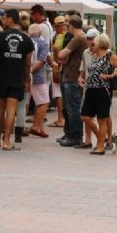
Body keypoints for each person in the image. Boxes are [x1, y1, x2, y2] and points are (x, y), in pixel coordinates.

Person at [0, 9, 34, 151]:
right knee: (12, 110)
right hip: (17, 78)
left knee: (0, 109)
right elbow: (28, 63)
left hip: (1, 77)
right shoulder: (27, 39)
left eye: (5, 18)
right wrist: (27, 80)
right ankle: (7, 141)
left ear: (10, 20)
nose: (4, 21)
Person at [81, 34, 117, 155]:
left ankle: (100, 146)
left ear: (100, 45)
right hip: (91, 89)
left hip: (103, 90)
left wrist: (110, 76)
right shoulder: (95, 56)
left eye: (94, 43)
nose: (92, 45)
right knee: (85, 116)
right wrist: (83, 80)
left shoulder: (110, 56)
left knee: (102, 119)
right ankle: (101, 138)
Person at [57, 15, 87, 147]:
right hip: (71, 76)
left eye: (68, 24)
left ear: (72, 26)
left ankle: (75, 136)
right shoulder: (82, 37)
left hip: (73, 77)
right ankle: (69, 133)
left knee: (72, 108)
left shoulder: (78, 38)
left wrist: (62, 53)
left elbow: (61, 54)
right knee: (69, 107)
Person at [76, 28, 100, 149]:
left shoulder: (104, 53)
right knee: (86, 116)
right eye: (88, 39)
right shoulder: (85, 53)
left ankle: (102, 139)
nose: (89, 41)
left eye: (91, 39)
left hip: (100, 89)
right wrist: (80, 78)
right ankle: (88, 140)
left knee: (96, 117)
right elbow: (82, 70)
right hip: (87, 89)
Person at [28, 23, 50, 138]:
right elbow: (41, 61)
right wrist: (31, 72)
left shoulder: (25, 41)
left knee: (24, 103)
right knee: (43, 102)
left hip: (22, 76)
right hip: (37, 77)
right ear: (40, 33)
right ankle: (36, 127)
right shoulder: (43, 43)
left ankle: (20, 127)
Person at [48, 15, 67, 128]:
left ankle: (61, 119)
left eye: (57, 26)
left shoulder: (60, 36)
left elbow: (57, 51)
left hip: (60, 67)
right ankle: (63, 118)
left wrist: (56, 64)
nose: (56, 28)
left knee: (58, 94)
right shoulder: (69, 35)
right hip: (67, 68)